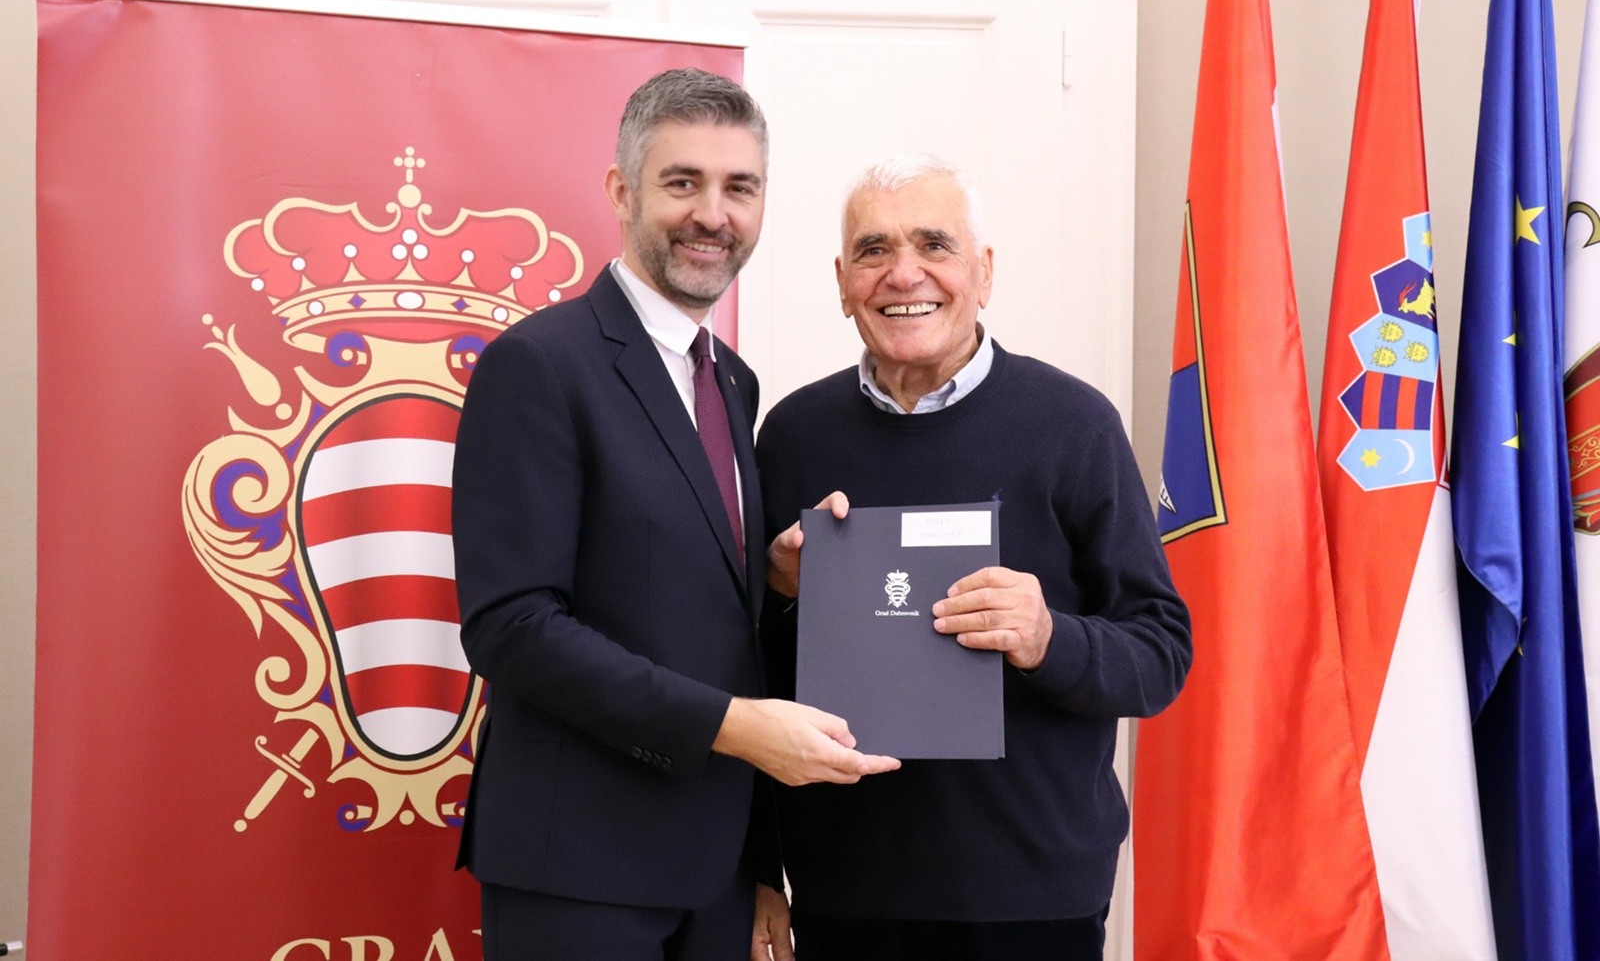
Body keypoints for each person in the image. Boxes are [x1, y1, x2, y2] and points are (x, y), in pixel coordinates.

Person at [452, 69, 898, 961]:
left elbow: (707, 618)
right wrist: (734, 727)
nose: (713, 215)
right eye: (683, 182)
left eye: (740, 188)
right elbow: (512, 627)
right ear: (623, 192)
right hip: (577, 867)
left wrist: (776, 581)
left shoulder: (732, 381)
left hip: (713, 871)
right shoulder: (538, 365)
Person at [756, 155, 1193, 960]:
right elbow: (746, 676)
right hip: (846, 890)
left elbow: (1160, 655)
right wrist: (781, 591)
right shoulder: (791, 436)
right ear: (843, 282)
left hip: (1033, 894)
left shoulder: (1074, 426)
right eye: (874, 250)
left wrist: (1048, 637)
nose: (903, 274)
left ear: (984, 272)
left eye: (934, 244)